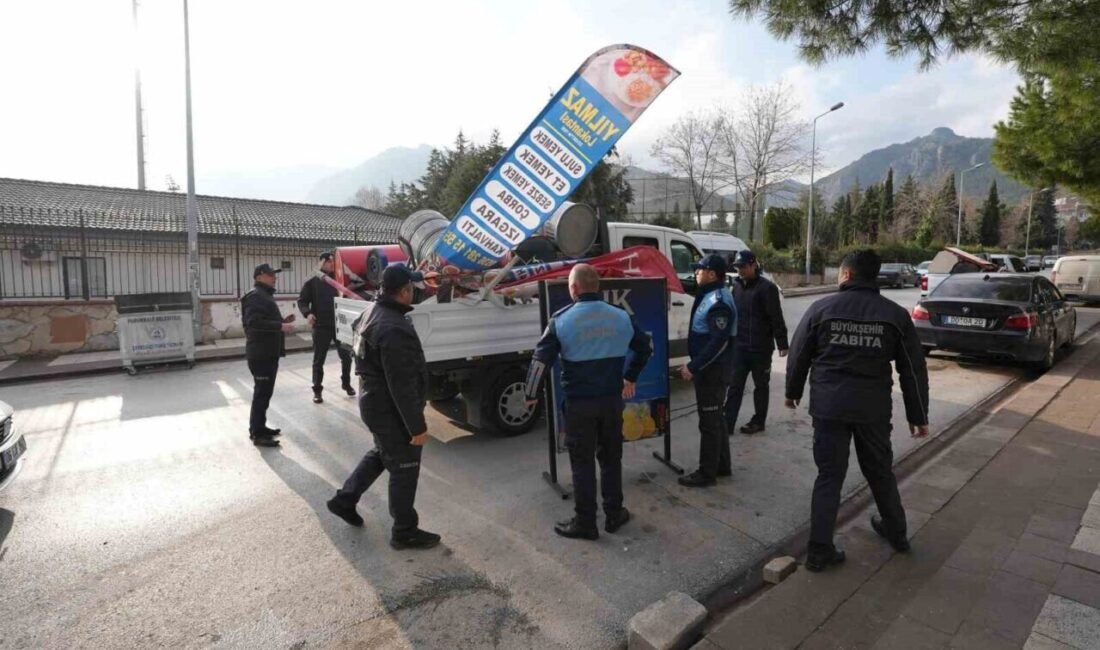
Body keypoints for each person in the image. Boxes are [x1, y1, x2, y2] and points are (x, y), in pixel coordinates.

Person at [785, 249, 930, 572]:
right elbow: (912, 369)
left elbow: (799, 355)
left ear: (847, 275)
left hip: (829, 408)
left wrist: (792, 393)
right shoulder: (894, 315)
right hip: (872, 410)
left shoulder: (821, 309)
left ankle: (819, 550)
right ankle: (897, 533)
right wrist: (918, 415)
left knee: (829, 476)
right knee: (879, 471)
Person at [524, 264, 653, 540]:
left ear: (573, 288)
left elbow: (539, 361)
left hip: (579, 405)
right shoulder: (621, 317)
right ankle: (614, 514)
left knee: (582, 463)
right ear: (598, 287)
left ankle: (586, 522)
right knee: (611, 458)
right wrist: (629, 376)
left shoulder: (561, 320)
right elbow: (645, 348)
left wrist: (531, 394)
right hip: (611, 402)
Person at [326, 264, 441, 550]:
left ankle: (345, 499)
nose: (415, 291)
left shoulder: (372, 311)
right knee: (404, 466)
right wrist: (416, 426)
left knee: (382, 453)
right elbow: (400, 384)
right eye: (412, 288)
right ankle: (404, 531)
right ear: (403, 292)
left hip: (374, 401)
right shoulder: (393, 327)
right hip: (389, 407)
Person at [678, 254, 737, 488]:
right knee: (716, 418)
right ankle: (722, 465)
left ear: (712, 274)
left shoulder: (718, 302)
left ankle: (706, 473)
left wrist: (694, 366)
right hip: (710, 370)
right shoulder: (709, 295)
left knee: (709, 422)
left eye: (699, 270)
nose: (696, 273)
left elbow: (719, 342)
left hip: (713, 372)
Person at [725, 250, 788, 435]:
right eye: (738, 268)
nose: (740, 271)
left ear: (754, 265)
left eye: (743, 267)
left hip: (760, 349)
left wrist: (782, 343)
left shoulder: (766, 288)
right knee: (735, 386)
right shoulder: (736, 287)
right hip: (740, 347)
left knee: (761, 386)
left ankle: (758, 421)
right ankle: (727, 422)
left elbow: (776, 317)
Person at [241, 263, 296, 448]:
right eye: (271, 274)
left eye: (275, 274)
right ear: (259, 276)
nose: (275, 277)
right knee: (261, 393)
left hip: (268, 352)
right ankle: (257, 433)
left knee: (265, 392)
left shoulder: (263, 295)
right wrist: (279, 326)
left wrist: (281, 321)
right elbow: (254, 322)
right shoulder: (256, 296)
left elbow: (263, 320)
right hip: (261, 353)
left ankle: (260, 427)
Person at [298, 251, 354, 404]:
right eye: (329, 261)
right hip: (321, 325)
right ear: (322, 262)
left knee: (346, 357)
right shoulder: (313, 281)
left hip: (340, 324)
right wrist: (308, 314)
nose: (332, 264)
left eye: (333, 262)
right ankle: (317, 390)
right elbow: (302, 301)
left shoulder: (339, 279)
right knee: (319, 360)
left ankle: (346, 383)